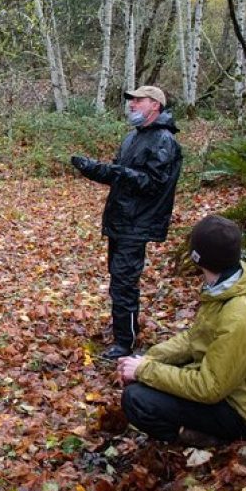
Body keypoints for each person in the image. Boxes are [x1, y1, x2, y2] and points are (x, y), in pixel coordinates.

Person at [118, 215, 246, 447]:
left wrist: (145, 370)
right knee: (148, 371)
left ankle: (208, 439)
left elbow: (209, 387)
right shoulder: (231, 284)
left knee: (137, 399)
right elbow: (195, 338)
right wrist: (147, 359)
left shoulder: (241, 312)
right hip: (234, 387)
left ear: (197, 257)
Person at [71, 85, 182, 360]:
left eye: (138, 100)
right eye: (131, 101)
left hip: (138, 224)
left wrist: (116, 171)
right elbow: (119, 177)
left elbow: (152, 183)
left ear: (155, 105)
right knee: (118, 280)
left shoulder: (163, 140)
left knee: (123, 282)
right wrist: (93, 169)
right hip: (120, 221)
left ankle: (124, 344)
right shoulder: (133, 137)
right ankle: (122, 331)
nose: (132, 105)